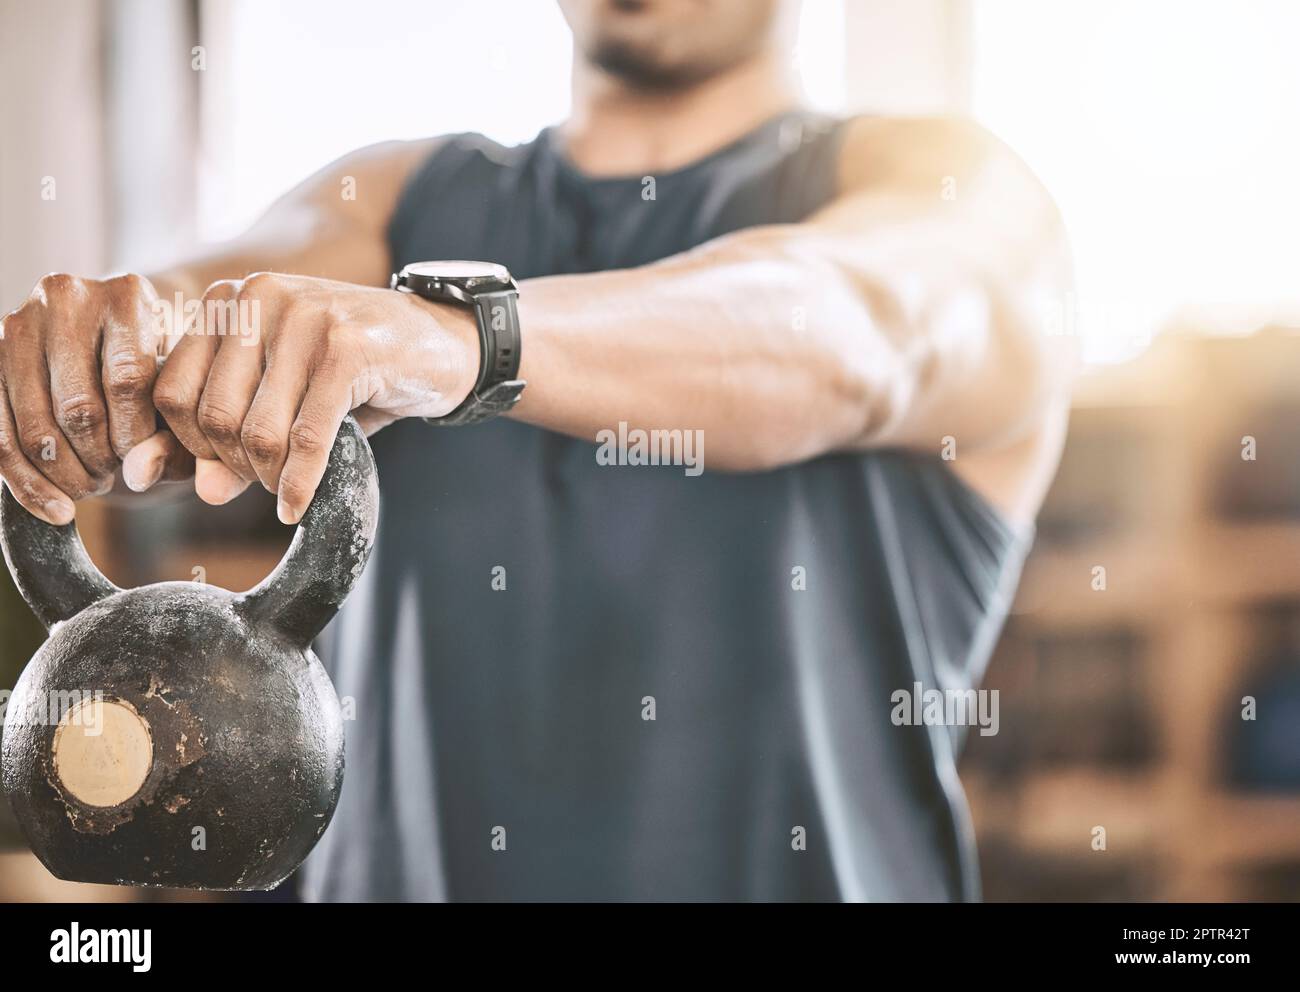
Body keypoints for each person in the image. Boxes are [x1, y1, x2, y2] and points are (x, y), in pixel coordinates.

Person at [0, 0, 1071, 901]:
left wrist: (461, 342)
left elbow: (848, 330)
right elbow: (207, 299)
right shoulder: (396, 202)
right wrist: (109, 353)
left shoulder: (948, 185)